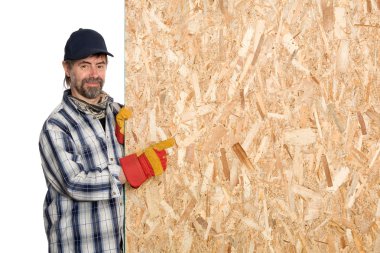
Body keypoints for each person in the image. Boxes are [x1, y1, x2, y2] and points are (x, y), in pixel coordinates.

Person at [39, 28, 174, 253]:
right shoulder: (56, 126)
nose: (94, 74)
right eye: (85, 65)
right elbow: (74, 182)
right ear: (67, 69)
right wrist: (132, 169)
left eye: (100, 65)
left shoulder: (121, 115)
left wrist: (133, 138)